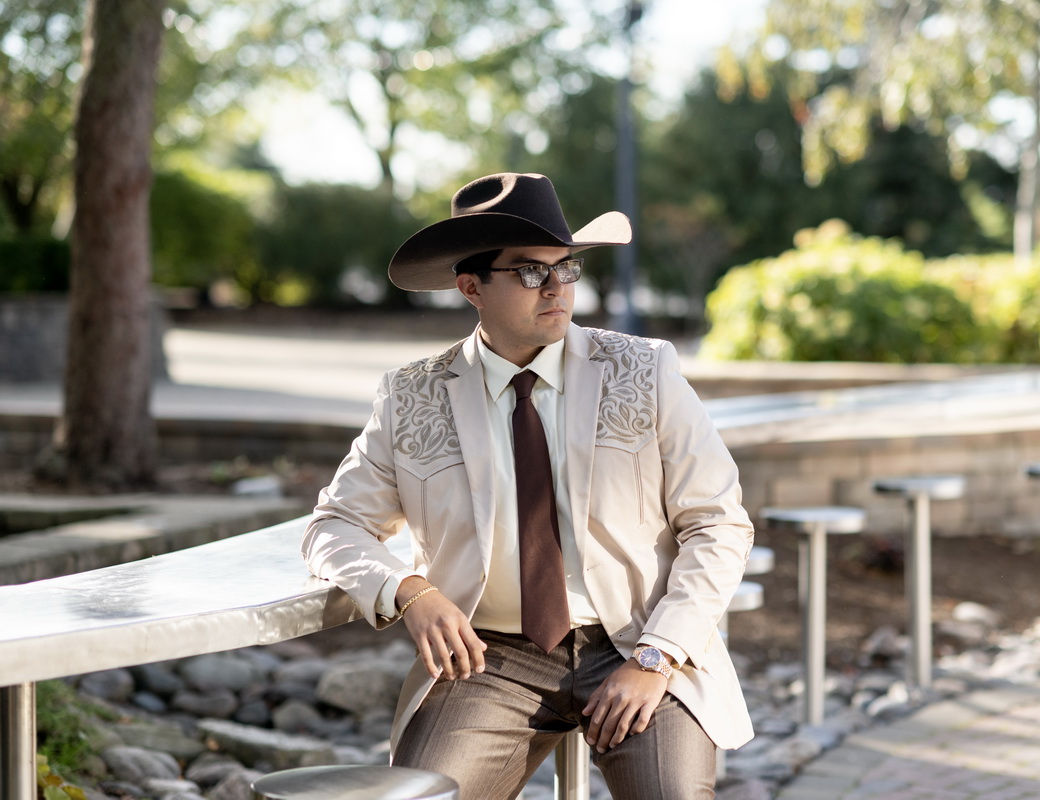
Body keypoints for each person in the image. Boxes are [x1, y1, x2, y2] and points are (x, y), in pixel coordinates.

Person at [301, 172, 754, 799]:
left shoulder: (644, 369)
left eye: (565, 268)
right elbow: (333, 526)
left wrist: (658, 655)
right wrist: (408, 591)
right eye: (530, 271)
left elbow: (718, 523)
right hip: (488, 656)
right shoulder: (412, 396)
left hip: (636, 639)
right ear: (471, 287)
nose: (556, 288)